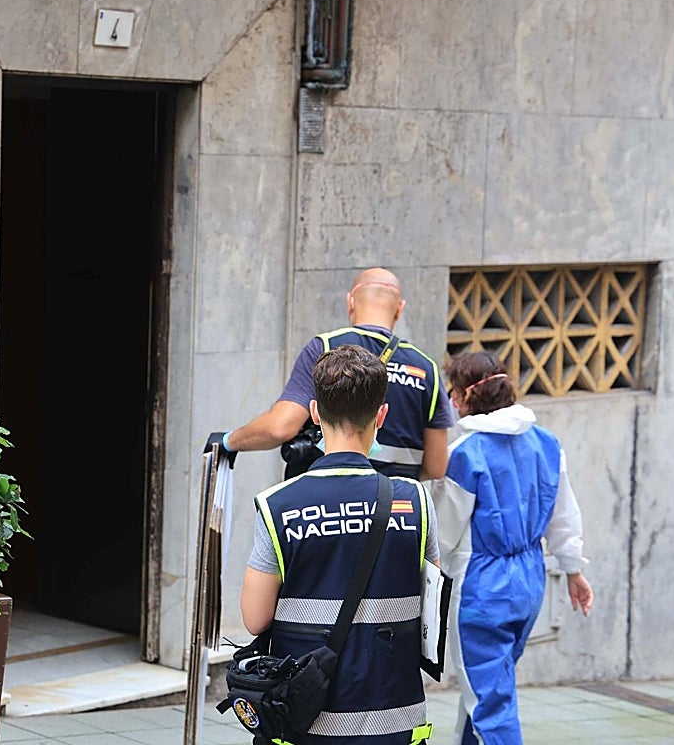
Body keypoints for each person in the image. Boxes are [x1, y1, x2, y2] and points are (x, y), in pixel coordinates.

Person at [240, 343, 439, 745]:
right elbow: (430, 614)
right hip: (393, 723)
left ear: (314, 412)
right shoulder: (415, 501)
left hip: (304, 723)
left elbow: (255, 620)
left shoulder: (278, 504)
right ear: (381, 415)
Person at [429, 350, 594, 745]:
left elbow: (445, 534)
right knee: (492, 688)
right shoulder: (547, 443)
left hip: (481, 589)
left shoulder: (466, 455)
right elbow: (564, 514)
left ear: (463, 397)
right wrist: (574, 570)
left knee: (489, 702)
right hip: (529, 581)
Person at [206, 267, 454, 480]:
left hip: (327, 509)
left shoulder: (325, 348)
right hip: (395, 512)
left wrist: (229, 441)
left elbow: (280, 427)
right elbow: (436, 467)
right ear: (399, 309)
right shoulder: (426, 368)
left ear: (350, 302)